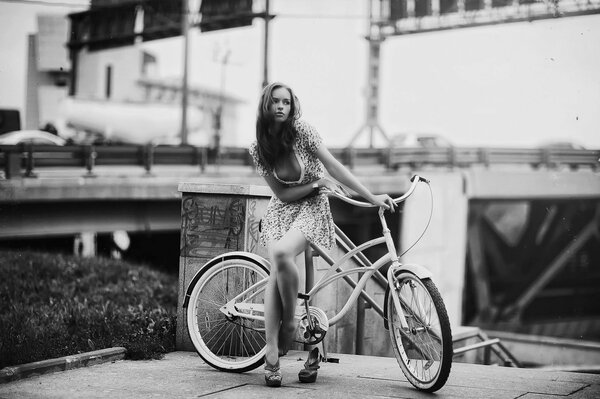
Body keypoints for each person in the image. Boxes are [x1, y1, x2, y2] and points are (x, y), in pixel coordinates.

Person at [249, 82, 397, 387]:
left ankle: (290, 324)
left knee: (280, 255)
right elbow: (282, 195)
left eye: (286, 103)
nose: (281, 107)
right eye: (275, 102)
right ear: (266, 106)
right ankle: (275, 348)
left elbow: (334, 166)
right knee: (279, 263)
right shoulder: (259, 148)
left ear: (292, 107)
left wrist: (371, 197)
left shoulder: (303, 132)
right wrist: (318, 183)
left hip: (312, 209)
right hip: (283, 208)